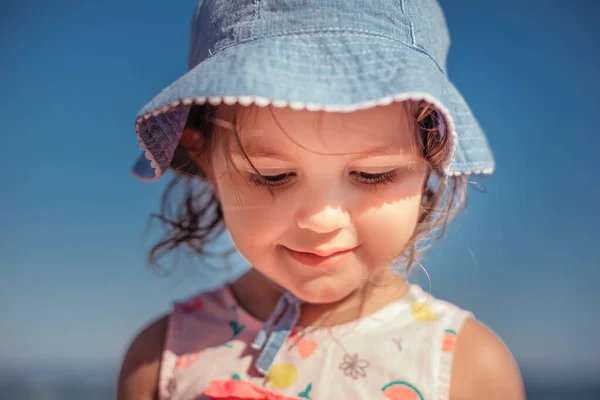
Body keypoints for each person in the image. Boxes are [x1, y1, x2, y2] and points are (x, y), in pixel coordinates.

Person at [117, 0, 525, 399]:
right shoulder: (158, 362)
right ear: (206, 158)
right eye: (272, 176)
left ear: (433, 155)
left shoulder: (467, 370)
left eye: (373, 173)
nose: (321, 219)